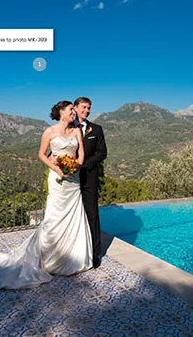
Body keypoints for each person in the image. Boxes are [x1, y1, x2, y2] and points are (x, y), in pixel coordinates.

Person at [0, 100, 93, 289]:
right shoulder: (49, 132)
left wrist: (74, 166)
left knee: (74, 217)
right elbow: (42, 154)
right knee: (54, 218)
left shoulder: (76, 131)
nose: (73, 113)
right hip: (58, 179)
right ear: (62, 112)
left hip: (73, 179)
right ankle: (50, 259)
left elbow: (81, 155)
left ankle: (73, 260)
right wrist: (58, 169)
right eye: (71, 110)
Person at [71, 97, 107, 268]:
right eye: (84, 107)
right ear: (75, 108)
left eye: (89, 108)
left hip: (89, 177)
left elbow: (102, 153)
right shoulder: (67, 127)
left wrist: (84, 165)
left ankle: (95, 253)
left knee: (92, 214)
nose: (87, 110)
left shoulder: (97, 130)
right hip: (69, 179)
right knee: (72, 214)